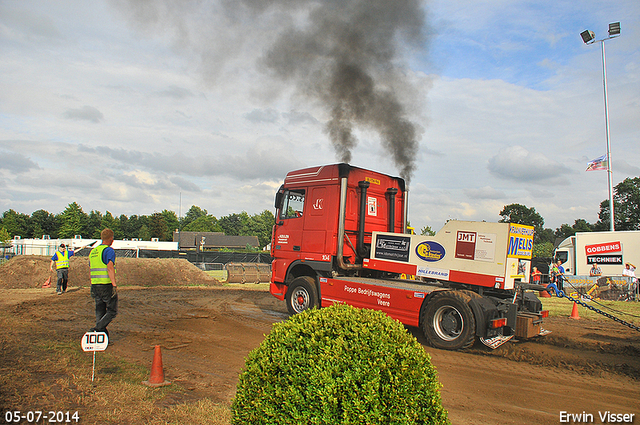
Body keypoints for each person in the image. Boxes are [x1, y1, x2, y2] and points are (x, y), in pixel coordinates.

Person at [89, 228, 118, 337]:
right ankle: (97, 329)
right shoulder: (108, 250)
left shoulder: (93, 251)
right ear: (111, 238)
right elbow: (110, 267)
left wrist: (92, 284)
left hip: (95, 285)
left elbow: (90, 269)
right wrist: (114, 284)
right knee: (112, 311)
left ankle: (102, 338)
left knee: (100, 311)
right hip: (106, 285)